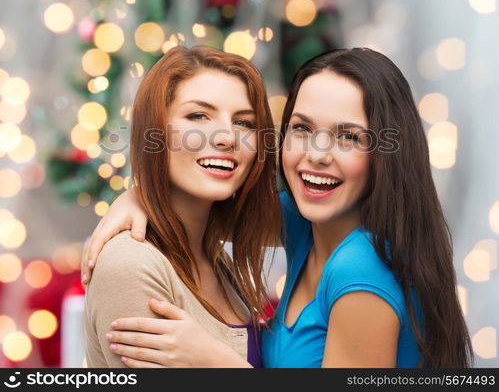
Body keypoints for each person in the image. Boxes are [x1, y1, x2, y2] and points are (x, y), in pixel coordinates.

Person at [82, 48, 473, 368]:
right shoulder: (305, 223)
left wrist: (219, 363)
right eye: (302, 128)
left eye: (348, 136)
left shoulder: (360, 268)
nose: (317, 155)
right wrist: (137, 196)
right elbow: (217, 210)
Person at [84, 45, 281, 367]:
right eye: (198, 116)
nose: (226, 137)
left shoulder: (216, 259)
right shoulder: (131, 263)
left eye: (244, 123)